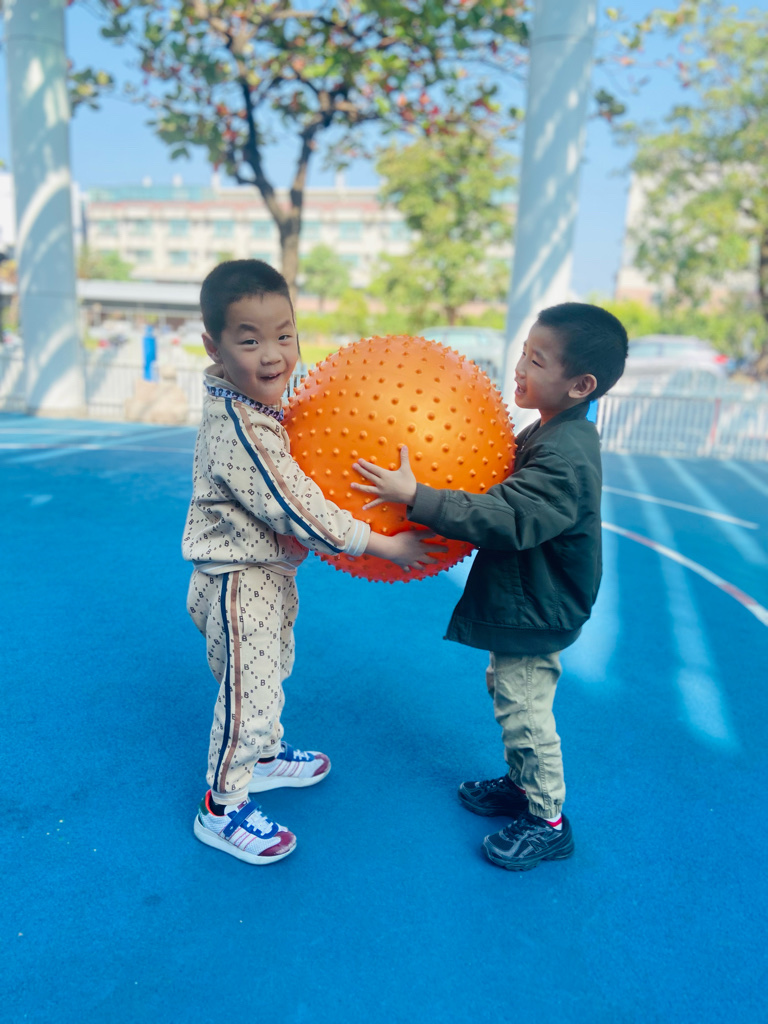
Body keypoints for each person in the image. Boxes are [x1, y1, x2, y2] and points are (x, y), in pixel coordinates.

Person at [352, 302, 628, 871]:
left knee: (524, 709)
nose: (519, 367)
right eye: (524, 353)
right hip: (529, 597)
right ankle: (521, 784)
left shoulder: (566, 455)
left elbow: (509, 515)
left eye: (537, 361)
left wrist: (419, 497)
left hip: (539, 605)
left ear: (580, 385)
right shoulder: (550, 430)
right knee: (508, 691)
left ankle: (548, 821)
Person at [183, 259, 440, 865]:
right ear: (214, 348)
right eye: (249, 341)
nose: (273, 355)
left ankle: (265, 757)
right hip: (238, 577)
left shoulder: (259, 409)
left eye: (285, 335)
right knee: (247, 693)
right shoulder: (241, 427)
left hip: (267, 572)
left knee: (267, 675)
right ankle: (222, 806)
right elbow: (297, 506)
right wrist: (385, 545)